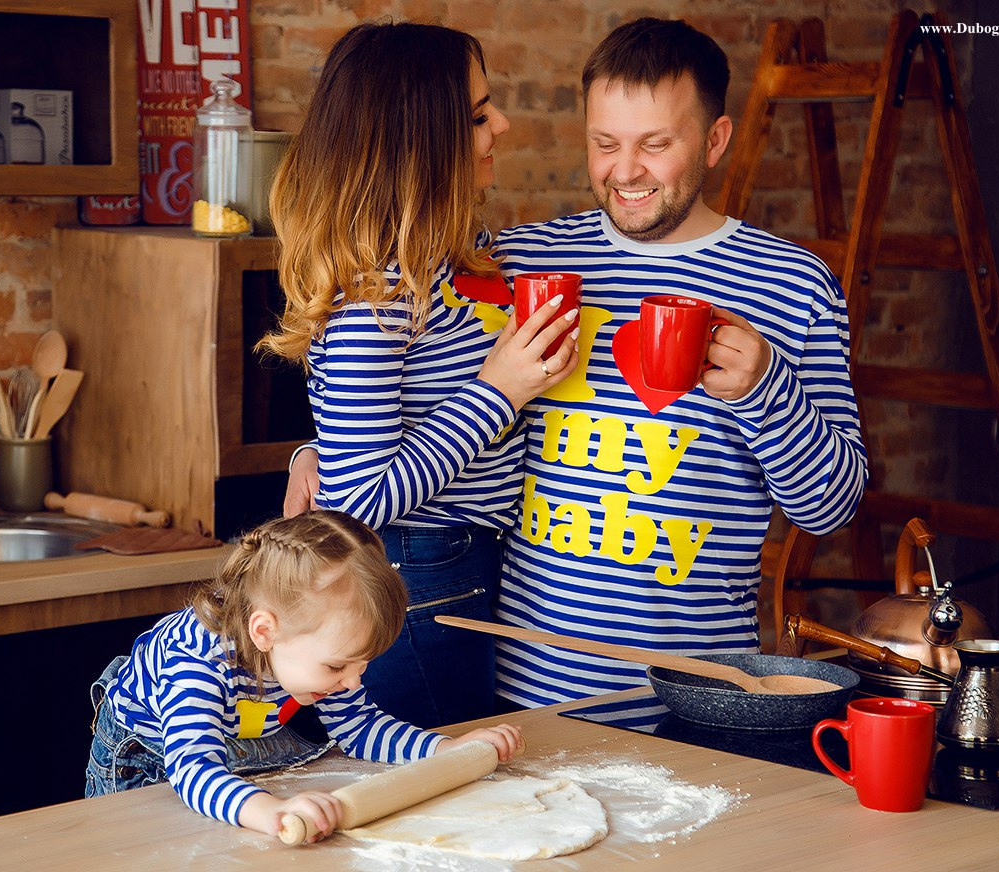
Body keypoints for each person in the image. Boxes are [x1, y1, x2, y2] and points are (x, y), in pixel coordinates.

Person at [289, 17, 868, 712]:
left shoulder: (793, 285)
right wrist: (317, 452)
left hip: (695, 691)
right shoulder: (515, 262)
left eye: (656, 144)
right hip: (519, 689)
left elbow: (831, 508)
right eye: (605, 143)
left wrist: (765, 390)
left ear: (715, 141)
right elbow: (399, 374)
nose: (625, 171)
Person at [257, 21, 579, 729]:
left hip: (456, 563)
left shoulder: (444, 261)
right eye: (478, 115)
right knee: (435, 768)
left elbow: (358, 441)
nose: (502, 124)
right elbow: (359, 499)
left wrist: (314, 451)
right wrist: (499, 392)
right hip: (420, 573)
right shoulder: (377, 297)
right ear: (423, 144)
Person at [84, 511, 524, 843]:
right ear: (264, 632)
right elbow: (193, 768)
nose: (352, 683)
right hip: (146, 759)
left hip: (234, 738)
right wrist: (272, 813)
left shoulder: (308, 649)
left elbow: (360, 728)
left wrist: (446, 750)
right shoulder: (197, 665)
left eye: (362, 665)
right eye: (338, 667)